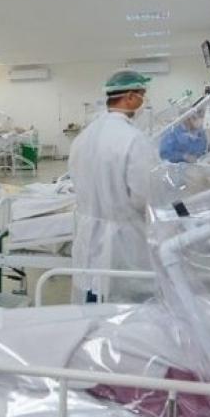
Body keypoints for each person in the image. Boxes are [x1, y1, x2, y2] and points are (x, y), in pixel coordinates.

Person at [68, 70, 157, 303]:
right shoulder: (133, 139)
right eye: (142, 94)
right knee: (121, 307)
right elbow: (143, 196)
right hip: (122, 241)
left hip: (88, 233)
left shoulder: (84, 137)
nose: (144, 101)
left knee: (92, 296)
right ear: (130, 97)